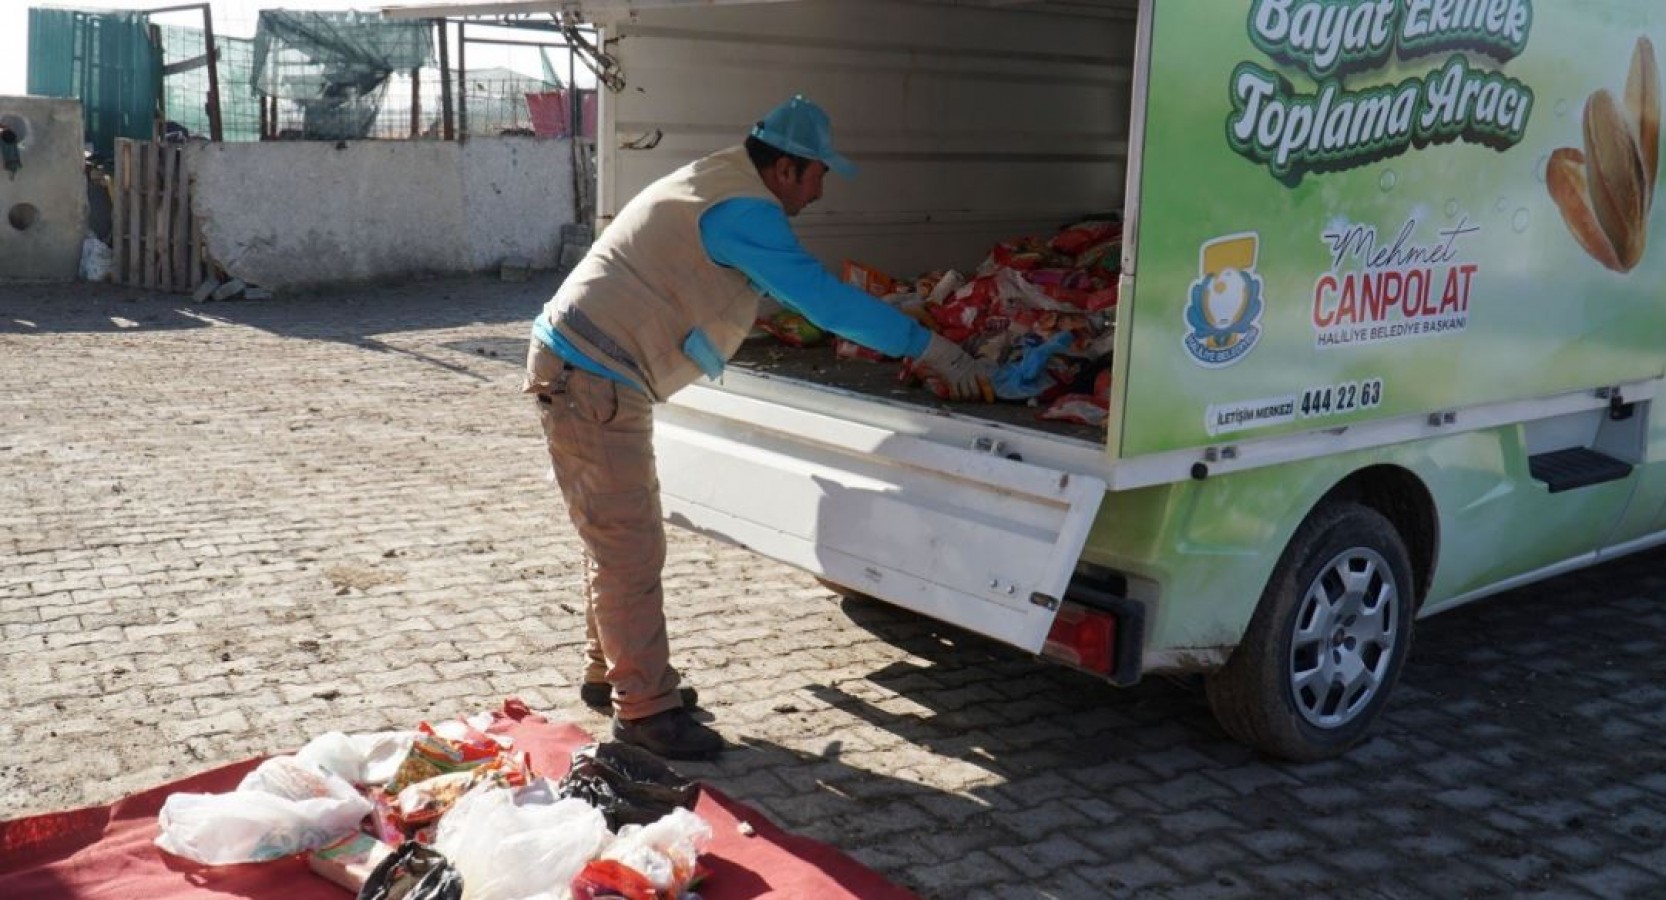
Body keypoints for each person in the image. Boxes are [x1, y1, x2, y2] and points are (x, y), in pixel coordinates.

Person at [523, 94, 984, 760]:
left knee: (620, 536)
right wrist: (927, 346)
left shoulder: (717, 181)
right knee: (628, 546)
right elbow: (822, 302)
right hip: (591, 375)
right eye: (820, 173)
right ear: (789, 168)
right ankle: (645, 712)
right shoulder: (743, 211)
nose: (822, 189)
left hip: (589, 367)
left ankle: (616, 676)